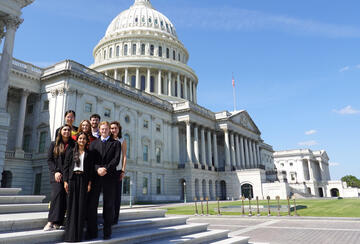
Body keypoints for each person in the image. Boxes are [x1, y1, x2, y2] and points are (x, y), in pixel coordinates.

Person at [86, 121, 121, 240]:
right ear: (99, 130)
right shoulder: (93, 144)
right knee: (92, 205)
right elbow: (90, 161)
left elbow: (116, 160)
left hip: (109, 177)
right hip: (96, 177)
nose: (104, 131)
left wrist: (105, 168)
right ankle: (92, 232)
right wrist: (97, 169)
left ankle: (107, 232)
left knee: (109, 205)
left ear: (109, 130)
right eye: (102, 129)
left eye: (106, 129)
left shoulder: (116, 143)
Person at [63, 132, 94, 242]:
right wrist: (65, 181)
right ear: (77, 140)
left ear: (86, 141)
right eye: (80, 138)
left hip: (83, 180)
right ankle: (69, 236)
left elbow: (90, 170)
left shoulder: (89, 154)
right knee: (71, 206)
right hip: (72, 180)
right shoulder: (71, 151)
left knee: (81, 206)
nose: (82, 140)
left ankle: (78, 236)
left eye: (84, 139)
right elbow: (66, 167)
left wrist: (89, 183)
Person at [44, 125, 75, 231]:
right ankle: (50, 222)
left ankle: (59, 222)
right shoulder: (54, 144)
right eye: (64, 130)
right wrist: (55, 172)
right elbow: (49, 159)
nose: (66, 131)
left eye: (68, 130)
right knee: (57, 196)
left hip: (68, 175)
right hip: (57, 175)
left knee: (65, 198)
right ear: (60, 131)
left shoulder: (73, 144)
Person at [110, 121, 127, 225]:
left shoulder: (122, 140)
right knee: (109, 195)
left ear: (119, 129)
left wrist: (123, 170)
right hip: (108, 171)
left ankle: (115, 218)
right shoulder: (108, 140)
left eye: (115, 128)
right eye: (111, 128)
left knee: (116, 196)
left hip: (118, 170)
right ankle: (108, 217)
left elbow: (124, 156)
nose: (113, 130)